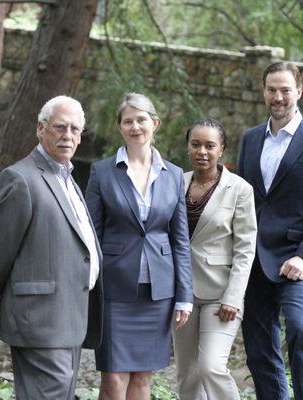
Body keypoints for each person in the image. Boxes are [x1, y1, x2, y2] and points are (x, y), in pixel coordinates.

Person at [0, 95, 103, 400]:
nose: (69, 136)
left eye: (76, 130)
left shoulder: (68, 178)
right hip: (40, 317)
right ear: (40, 128)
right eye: (60, 127)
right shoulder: (20, 178)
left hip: (70, 315)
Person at [238, 61, 303, 400]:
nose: (278, 97)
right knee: (258, 342)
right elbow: (243, 200)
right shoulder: (251, 139)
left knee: (300, 329)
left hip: (299, 260)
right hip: (254, 259)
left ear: (299, 91)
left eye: (285, 90)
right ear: (263, 92)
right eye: (272, 89)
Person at [85, 92, 193, 400]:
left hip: (158, 291)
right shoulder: (102, 171)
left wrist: (184, 296)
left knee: (143, 380)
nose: (136, 127)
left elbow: (180, 241)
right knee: (114, 379)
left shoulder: (173, 175)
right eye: (128, 121)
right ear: (119, 127)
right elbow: (90, 233)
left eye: (142, 120)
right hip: (114, 290)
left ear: (155, 123)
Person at [173, 119, 257, 400]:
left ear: (221, 149)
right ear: (188, 147)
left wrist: (234, 297)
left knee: (211, 367)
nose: (202, 151)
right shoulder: (174, 182)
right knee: (187, 373)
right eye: (196, 144)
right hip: (181, 292)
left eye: (210, 145)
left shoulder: (240, 190)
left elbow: (245, 248)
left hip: (220, 295)